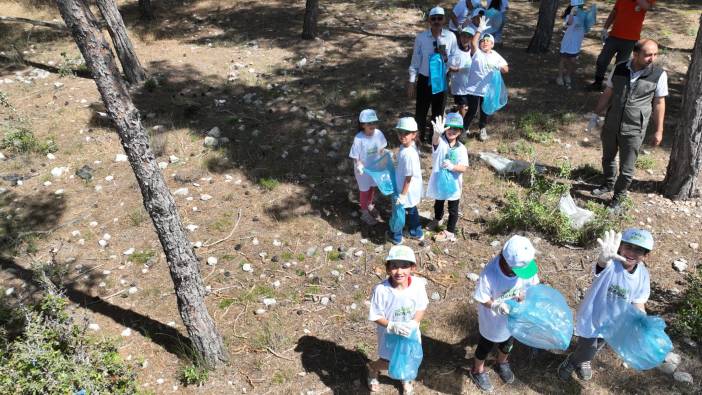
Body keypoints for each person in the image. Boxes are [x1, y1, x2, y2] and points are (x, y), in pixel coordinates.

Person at [558, 229, 653, 381]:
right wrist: (602, 260)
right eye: (628, 246)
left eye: (638, 250)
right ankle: (574, 361)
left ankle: (585, 359)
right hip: (592, 317)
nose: (631, 253)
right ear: (620, 247)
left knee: (599, 344)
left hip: (614, 323)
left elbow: (638, 301)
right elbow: (601, 266)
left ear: (645, 255)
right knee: (588, 347)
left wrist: (642, 320)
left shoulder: (643, 275)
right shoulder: (610, 263)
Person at [588, 39, 667, 211]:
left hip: (634, 128)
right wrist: (596, 113)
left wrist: (659, 130)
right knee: (607, 158)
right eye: (648, 55)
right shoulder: (620, 68)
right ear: (636, 54)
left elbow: (659, 103)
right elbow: (608, 92)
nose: (652, 58)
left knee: (627, 168)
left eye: (655, 54)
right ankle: (608, 184)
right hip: (612, 123)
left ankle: (618, 198)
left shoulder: (658, 74)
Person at [470, 235, 539, 392]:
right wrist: (495, 306)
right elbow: (482, 298)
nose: (524, 273)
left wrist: (524, 296)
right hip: (492, 320)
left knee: (508, 342)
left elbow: (532, 284)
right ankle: (477, 369)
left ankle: (501, 362)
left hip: (512, 317)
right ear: (508, 263)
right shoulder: (490, 274)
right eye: (520, 271)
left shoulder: (526, 264)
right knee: (485, 345)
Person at [367, 245, 429, 394]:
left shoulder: (418, 285)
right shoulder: (381, 290)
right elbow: (375, 315)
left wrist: (414, 323)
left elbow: (421, 307)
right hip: (390, 334)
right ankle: (372, 368)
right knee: (388, 361)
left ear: (412, 268)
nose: (399, 271)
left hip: (410, 333)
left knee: (408, 356)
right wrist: (392, 326)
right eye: (394, 266)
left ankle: (405, 377)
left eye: (404, 266)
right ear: (388, 269)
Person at [408, 6, 459, 143]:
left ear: (444, 20)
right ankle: (418, 139)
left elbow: (455, 56)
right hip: (425, 80)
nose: (436, 21)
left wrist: (448, 61)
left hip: (441, 79)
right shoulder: (421, 38)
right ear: (429, 20)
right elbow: (415, 60)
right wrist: (412, 82)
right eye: (433, 18)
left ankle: (434, 140)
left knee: (438, 112)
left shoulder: (450, 37)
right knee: (421, 111)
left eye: (439, 18)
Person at [589, 0, 655, 91]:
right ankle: (598, 83)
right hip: (614, 35)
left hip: (630, 39)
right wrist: (605, 28)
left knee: (620, 65)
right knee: (602, 60)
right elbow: (614, 12)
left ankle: (613, 89)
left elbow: (649, 7)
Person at [425, 113, 469, 242]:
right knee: (438, 202)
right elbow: (435, 142)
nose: (452, 131)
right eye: (449, 127)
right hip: (440, 181)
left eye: (456, 129)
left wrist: (453, 167)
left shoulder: (461, 148)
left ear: (460, 131)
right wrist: (437, 134)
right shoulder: (441, 143)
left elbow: (464, 168)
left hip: (454, 184)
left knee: (453, 208)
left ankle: (450, 231)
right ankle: (438, 219)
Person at [464, 26, 508, 141]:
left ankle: (482, 129)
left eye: (487, 41)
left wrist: (501, 67)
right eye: (483, 41)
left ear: (492, 44)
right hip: (473, 89)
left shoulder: (495, 55)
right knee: (472, 110)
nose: (484, 43)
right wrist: (479, 30)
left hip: (488, 89)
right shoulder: (477, 53)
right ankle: (464, 129)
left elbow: (506, 68)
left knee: (484, 110)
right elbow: (473, 42)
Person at [349, 109, 387, 225]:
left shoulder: (379, 134)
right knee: (364, 190)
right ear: (362, 125)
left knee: (372, 187)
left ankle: (369, 204)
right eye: (369, 123)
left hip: (375, 168)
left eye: (374, 122)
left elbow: (381, 148)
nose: (372, 125)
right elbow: (355, 156)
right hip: (363, 170)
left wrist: (384, 158)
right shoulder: (359, 138)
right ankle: (364, 211)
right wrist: (359, 164)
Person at [389, 117, 424, 245]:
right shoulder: (408, 146)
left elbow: (408, 177)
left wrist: (402, 195)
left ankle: (396, 237)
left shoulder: (409, 153)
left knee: (399, 212)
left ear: (414, 134)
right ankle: (416, 232)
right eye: (400, 132)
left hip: (405, 189)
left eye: (406, 133)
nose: (402, 135)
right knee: (412, 209)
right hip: (411, 188)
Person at [448, 26, 478, 131]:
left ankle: (462, 122)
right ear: (460, 37)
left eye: (468, 37)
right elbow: (449, 66)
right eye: (463, 36)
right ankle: (462, 126)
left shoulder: (473, 52)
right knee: (463, 106)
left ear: (471, 39)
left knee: (469, 106)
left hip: (471, 85)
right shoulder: (454, 50)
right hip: (458, 85)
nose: (465, 39)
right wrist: (457, 69)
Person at [557, 0, 590, 89]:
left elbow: (587, 28)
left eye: (581, 6)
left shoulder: (583, 17)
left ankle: (567, 75)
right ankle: (560, 77)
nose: (581, 8)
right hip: (567, 42)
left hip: (576, 44)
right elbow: (569, 23)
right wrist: (572, 13)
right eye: (579, 7)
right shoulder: (569, 16)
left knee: (573, 61)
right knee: (563, 59)